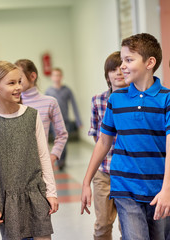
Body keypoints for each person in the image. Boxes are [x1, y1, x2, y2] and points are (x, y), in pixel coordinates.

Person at [81, 33, 170, 239]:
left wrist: (167, 189)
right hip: (125, 186)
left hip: (159, 187)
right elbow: (104, 142)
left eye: (129, 60)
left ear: (150, 62)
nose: (123, 66)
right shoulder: (116, 99)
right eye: (122, 60)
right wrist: (86, 182)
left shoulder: (166, 99)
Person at [0, 61, 58, 240]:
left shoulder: (32, 115)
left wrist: (51, 192)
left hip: (36, 193)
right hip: (9, 201)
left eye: (19, 82)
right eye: (11, 83)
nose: (18, 87)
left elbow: (43, 156)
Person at [87, 51, 127, 239]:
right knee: (103, 223)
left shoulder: (136, 99)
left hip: (128, 171)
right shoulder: (98, 100)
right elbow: (97, 137)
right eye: (113, 69)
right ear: (107, 75)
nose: (118, 72)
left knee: (126, 225)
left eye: (122, 68)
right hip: (103, 171)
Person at [15, 59, 68, 168]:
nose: (17, 84)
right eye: (13, 80)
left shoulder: (50, 102)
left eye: (19, 79)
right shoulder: (13, 104)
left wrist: (52, 157)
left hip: (42, 165)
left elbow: (62, 134)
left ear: (32, 76)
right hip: (18, 166)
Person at [45, 68, 82, 169]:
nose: (57, 78)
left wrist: (78, 121)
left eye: (58, 75)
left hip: (65, 120)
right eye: (55, 75)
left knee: (64, 141)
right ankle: (59, 160)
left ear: (61, 77)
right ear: (52, 77)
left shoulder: (67, 90)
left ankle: (62, 161)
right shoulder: (48, 91)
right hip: (53, 121)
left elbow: (74, 105)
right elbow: (45, 108)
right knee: (58, 140)